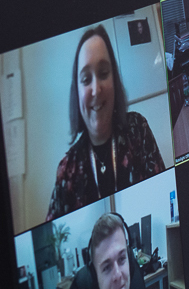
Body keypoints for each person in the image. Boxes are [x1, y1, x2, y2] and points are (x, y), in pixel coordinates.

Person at [46, 25, 167, 221]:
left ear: (115, 80)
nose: (96, 89)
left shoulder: (139, 130)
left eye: (103, 73)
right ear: (76, 93)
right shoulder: (66, 171)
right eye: (85, 79)